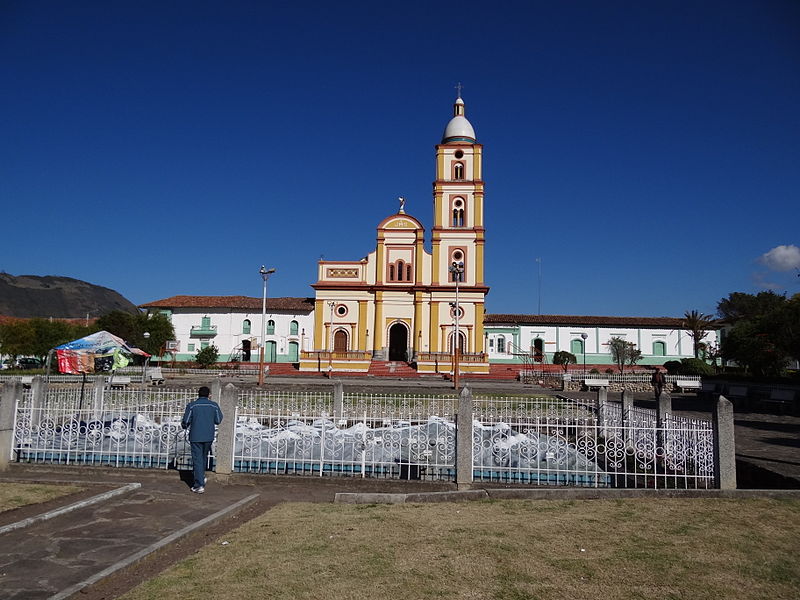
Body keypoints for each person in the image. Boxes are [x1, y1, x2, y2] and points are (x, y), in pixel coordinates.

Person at [181, 386, 223, 494]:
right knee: (203, 458)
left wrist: (185, 425)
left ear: (198, 394)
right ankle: (201, 476)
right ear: (209, 395)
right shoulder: (214, 406)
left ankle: (199, 485)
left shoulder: (192, 406)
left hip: (195, 436)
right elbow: (218, 420)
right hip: (208, 436)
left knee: (197, 459)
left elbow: (185, 421)